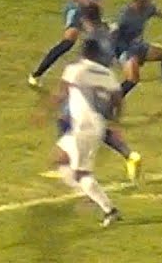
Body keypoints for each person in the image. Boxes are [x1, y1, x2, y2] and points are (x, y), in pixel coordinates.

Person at [48, 37, 124, 227]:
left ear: (83, 53)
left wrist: (43, 111)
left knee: (81, 173)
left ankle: (109, 209)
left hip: (83, 126)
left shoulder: (75, 70)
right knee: (59, 158)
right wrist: (115, 123)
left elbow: (60, 93)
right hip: (95, 124)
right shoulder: (108, 73)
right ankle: (89, 192)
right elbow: (118, 99)